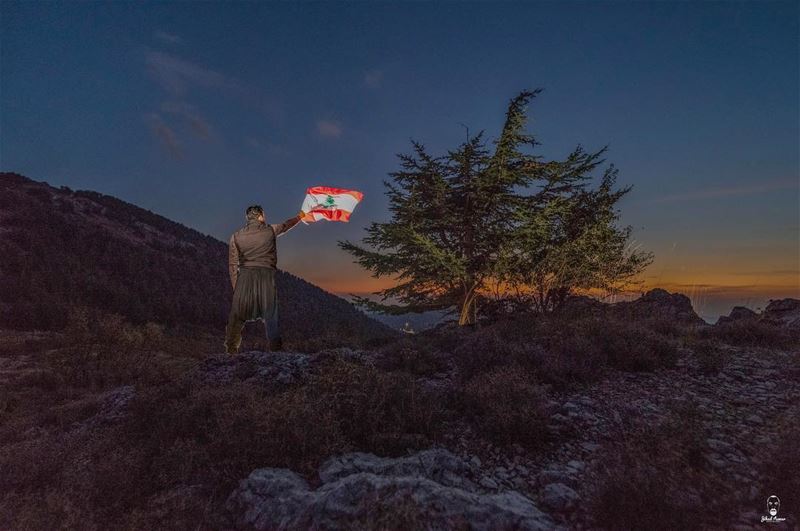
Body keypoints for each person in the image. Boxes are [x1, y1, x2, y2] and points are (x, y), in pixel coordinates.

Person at [225, 204, 304, 354]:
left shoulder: (235, 236)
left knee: (236, 314)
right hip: (266, 276)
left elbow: (232, 265)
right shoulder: (270, 230)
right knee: (270, 314)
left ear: (247, 218)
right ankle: (276, 349)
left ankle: (231, 349)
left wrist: (236, 286)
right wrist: (300, 217)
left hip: (245, 276)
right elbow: (286, 225)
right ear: (261, 216)